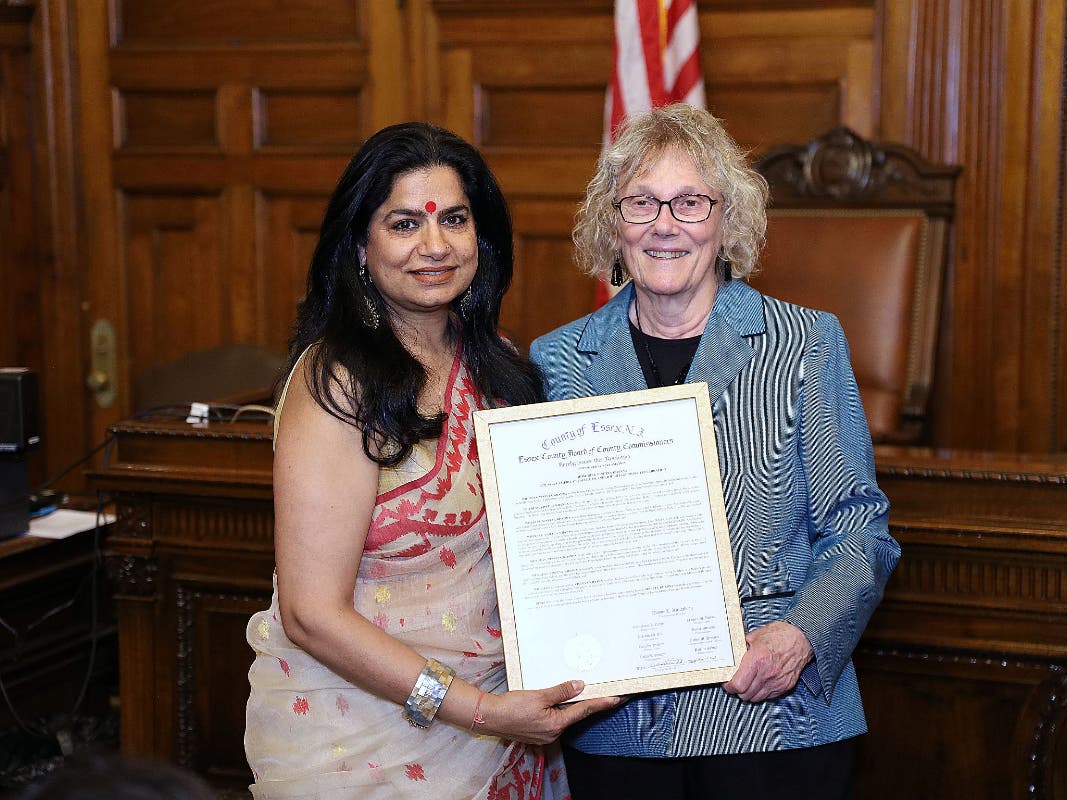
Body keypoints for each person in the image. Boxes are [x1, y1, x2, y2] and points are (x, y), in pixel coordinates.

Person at [529, 104, 901, 800]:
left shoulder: (803, 343)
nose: (664, 224)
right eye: (640, 202)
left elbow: (858, 531)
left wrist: (799, 637)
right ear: (611, 224)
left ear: (727, 221)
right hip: (614, 723)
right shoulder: (556, 362)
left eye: (690, 202)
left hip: (771, 715)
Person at [244, 122, 617, 799]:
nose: (435, 245)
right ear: (360, 244)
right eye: (404, 223)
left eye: (454, 218)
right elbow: (309, 613)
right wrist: (479, 711)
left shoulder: (497, 362)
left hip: (509, 730)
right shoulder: (337, 382)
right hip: (363, 744)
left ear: (483, 237)